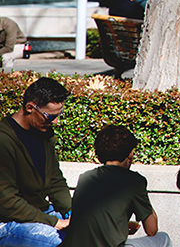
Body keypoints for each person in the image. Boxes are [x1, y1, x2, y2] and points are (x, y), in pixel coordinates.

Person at [61, 125, 170, 247]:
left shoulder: (86, 177)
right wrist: (143, 196)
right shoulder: (134, 181)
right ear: (130, 154)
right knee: (163, 238)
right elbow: (151, 229)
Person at [0, 77, 73, 246]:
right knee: (63, 242)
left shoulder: (45, 133)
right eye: (50, 116)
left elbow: (55, 180)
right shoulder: (4, 140)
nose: (55, 121)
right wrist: (53, 222)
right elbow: (6, 201)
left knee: (91, 232)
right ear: (30, 108)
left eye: (58, 115)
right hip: (8, 221)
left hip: (40, 213)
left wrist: (71, 211)